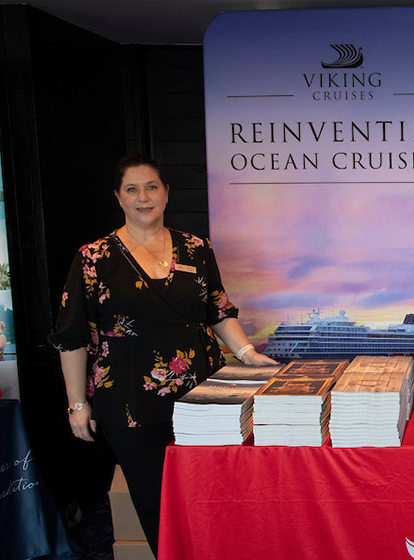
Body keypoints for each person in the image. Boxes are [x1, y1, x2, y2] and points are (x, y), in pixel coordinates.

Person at [50, 155, 276, 556]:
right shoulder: (93, 257)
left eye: (152, 187)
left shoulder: (196, 248)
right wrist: (77, 404)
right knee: (156, 502)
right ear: (118, 197)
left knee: (211, 492)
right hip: (127, 398)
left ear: (167, 193)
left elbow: (218, 310)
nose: (143, 197)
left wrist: (246, 352)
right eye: (132, 189)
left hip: (201, 393)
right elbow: (71, 337)